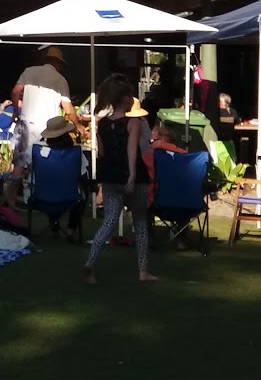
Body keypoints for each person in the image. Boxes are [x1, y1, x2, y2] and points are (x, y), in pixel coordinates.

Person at [84, 74, 156, 284]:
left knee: (108, 223)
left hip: (110, 175)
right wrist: (132, 175)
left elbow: (103, 152)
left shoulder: (102, 123)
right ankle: (143, 271)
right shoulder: (133, 123)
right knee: (141, 223)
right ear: (124, 98)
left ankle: (90, 262)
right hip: (132, 175)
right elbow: (132, 150)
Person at [9, 47, 84, 202]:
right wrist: (77, 124)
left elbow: (15, 92)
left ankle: (10, 199)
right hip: (48, 129)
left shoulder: (28, 71)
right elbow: (68, 108)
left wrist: (16, 111)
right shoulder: (60, 80)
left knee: (19, 163)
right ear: (58, 63)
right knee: (47, 163)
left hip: (26, 123)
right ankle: (45, 197)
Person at [37, 115, 86, 243]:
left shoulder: (39, 152)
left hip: (43, 196)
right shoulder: (75, 153)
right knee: (81, 189)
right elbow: (83, 174)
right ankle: (71, 228)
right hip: (70, 197)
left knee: (51, 185)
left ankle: (54, 228)